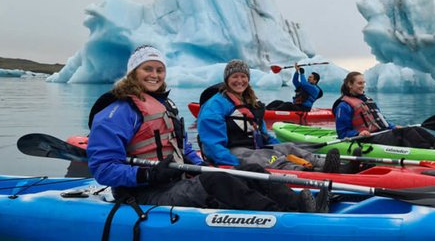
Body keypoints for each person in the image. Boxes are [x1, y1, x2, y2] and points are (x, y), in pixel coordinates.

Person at [86, 45, 323, 212]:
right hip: (144, 192)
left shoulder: (162, 104)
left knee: (249, 169)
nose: (155, 75)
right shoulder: (116, 112)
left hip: (175, 179)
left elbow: (183, 146)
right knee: (219, 181)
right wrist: (148, 174)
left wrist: (200, 168)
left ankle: (298, 204)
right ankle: (280, 216)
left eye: (159, 70)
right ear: (133, 73)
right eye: (147, 69)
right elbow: (103, 168)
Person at [197, 59, 342, 173]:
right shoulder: (215, 105)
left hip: (254, 147)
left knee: (288, 147)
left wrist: (278, 146)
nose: (239, 81)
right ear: (227, 80)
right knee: (264, 156)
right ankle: (305, 172)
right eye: (235, 76)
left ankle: (329, 166)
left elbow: (264, 134)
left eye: (243, 76)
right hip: (231, 150)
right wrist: (234, 165)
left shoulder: (250, 101)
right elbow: (212, 145)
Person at [332, 71, 435, 149]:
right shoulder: (343, 106)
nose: (363, 85)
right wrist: (358, 133)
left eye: (364, 83)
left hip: (380, 133)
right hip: (367, 139)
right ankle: (429, 149)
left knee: (412, 128)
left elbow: (380, 120)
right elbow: (342, 133)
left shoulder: (367, 100)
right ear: (349, 85)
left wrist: (393, 127)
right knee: (404, 133)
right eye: (359, 83)